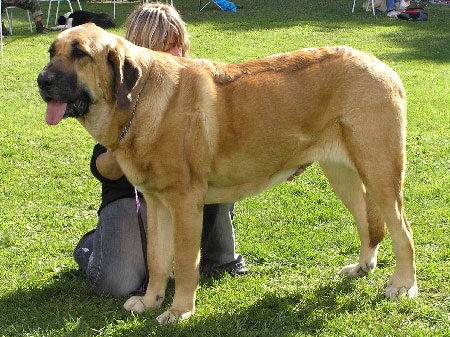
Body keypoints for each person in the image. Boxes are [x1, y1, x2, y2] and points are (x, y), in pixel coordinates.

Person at [73, 2, 248, 297]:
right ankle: (92, 245)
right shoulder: (119, 88)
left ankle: (220, 257)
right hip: (131, 196)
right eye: (165, 48)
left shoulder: (196, 83)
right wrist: (129, 143)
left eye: (179, 46)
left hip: (188, 190)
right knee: (116, 283)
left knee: (212, 172)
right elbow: (102, 169)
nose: (176, 56)